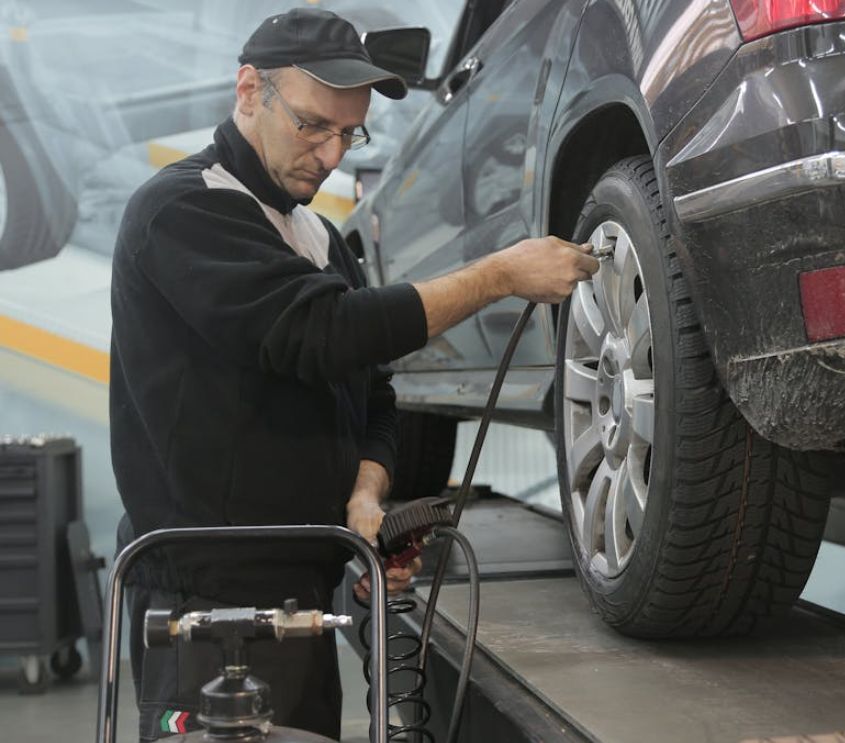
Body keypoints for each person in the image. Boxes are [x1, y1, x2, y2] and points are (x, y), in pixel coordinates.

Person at [109, 8, 598, 740]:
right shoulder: (183, 208)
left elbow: (373, 391)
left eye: (350, 133)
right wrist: (498, 275)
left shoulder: (318, 237)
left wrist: (364, 499)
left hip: (302, 590)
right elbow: (317, 332)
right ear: (250, 90)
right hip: (206, 604)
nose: (332, 153)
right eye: (313, 125)